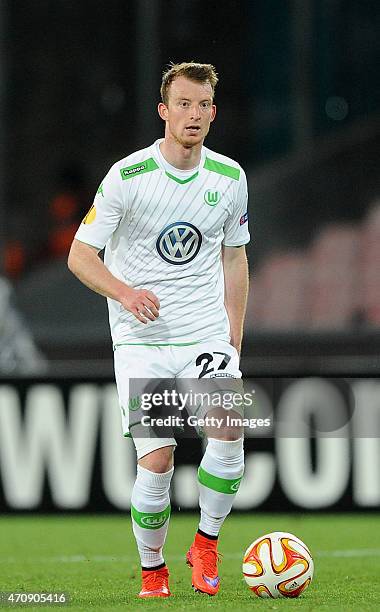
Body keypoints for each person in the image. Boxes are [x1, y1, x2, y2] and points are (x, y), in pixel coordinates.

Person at [68, 62, 250, 598]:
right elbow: (80, 256)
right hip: (142, 341)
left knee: (229, 426)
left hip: (204, 333)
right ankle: (153, 568)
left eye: (203, 106)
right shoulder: (127, 177)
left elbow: (235, 260)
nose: (193, 115)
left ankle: (207, 542)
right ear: (163, 111)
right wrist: (125, 293)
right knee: (158, 460)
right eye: (184, 104)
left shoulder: (230, 178)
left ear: (213, 115)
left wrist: (233, 339)